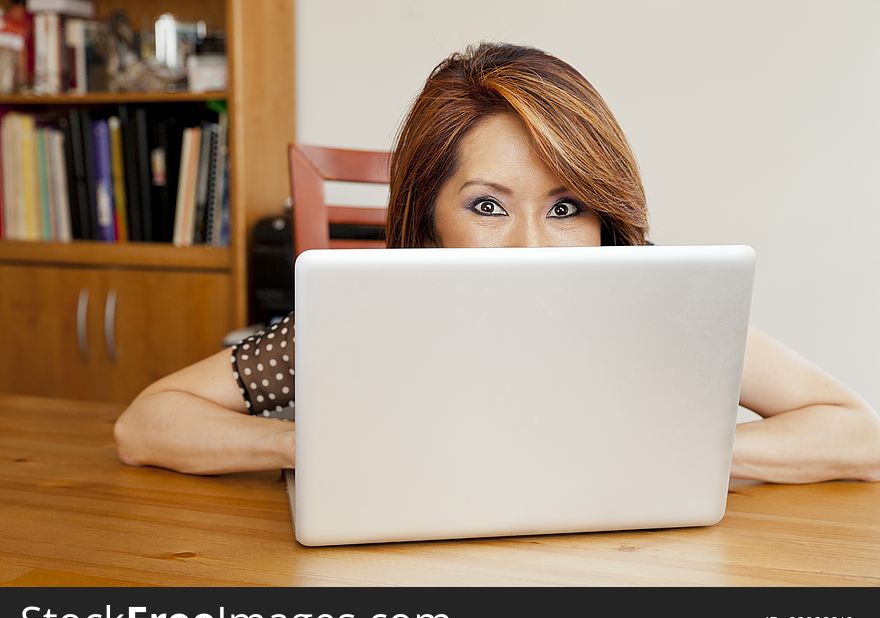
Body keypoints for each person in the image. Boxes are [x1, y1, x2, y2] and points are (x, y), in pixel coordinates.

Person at [114, 42, 880, 482]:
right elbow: (146, 424)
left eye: (566, 206)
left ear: (603, 217)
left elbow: (857, 433)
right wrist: (304, 443)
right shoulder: (366, 318)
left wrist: (663, 455)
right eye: (487, 206)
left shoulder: (653, 308)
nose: (532, 246)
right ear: (428, 217)